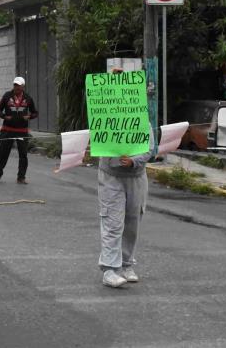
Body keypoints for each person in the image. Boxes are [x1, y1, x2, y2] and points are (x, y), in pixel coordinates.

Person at [95, 67, 154, 289]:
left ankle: (127, 264)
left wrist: (134, 161)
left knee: (132, 222)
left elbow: (149, 148)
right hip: (111, 177)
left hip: (136, 177)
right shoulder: (105, 115)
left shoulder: (141, 118)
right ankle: (109, 269)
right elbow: (99, 99)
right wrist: (113, 80)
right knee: (112, 222)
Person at [0, 76, 38, 184]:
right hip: (7, 130)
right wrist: (4, 116)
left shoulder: (28, 98)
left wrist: (29, 117)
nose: (16, 87)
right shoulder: (7, 96)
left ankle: (21, 177)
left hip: (22, 131)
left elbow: (35, 112)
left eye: (18, 85)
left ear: (23, 86)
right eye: (15, 85)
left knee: (23, 155)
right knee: (2, 153)